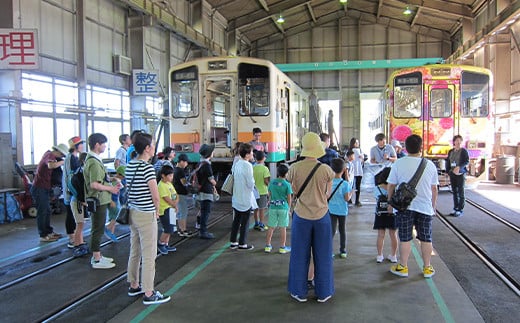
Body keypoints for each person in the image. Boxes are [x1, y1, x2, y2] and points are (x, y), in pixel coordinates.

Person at [287, 132, 335, 303]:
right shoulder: (326, 170)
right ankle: (324, 292)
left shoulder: (294, 168)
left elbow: (292, 189)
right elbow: (328, 194)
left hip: (301, 216)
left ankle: (299, 292)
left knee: (299, 255)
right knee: (323, 254)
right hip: (322, 216)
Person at [126, 132, 171, 305]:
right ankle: (149, 293)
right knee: (149, 254)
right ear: (146, 148)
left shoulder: (130, 165)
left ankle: (134, 284)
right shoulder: (147, 168)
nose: (154, 148)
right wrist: (157, 211)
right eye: (152, 145)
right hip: (146, 215)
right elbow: (156, 196)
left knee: (135, 250)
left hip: (133, 213)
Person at [386, 134, 439, 278]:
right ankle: (427, 268)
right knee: (426, 238)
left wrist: (390, 204)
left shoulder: (398, 163)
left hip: (404, 207)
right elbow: (434, 189)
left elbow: (391, 185)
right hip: (425, 207)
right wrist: (433, 206)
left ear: (405, 148)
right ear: (420, 148)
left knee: (405, 238)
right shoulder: (430, 165)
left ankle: (403, 267)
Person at [84, 133, 120, 269]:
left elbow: (100, 179)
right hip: (98, 199)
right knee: (97, 229)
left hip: (101, 199)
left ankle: (97, 255)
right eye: (103, 144)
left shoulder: (95, 159)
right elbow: (94, 184)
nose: (105, 146)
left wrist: (111, 180)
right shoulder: (93, 162)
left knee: (98, 228)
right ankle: (96, 258)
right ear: (97, 145)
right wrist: (110, 189)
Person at [31, 143, 68, 242]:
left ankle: (48, 232)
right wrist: (63, 162)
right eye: (62, 155)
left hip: (45, 188)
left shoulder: (52, 156)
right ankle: (43, 235)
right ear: (58, 152)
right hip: (39, 188)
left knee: (47, 211)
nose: (61, 157)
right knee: (43, 211)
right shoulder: (50, 155)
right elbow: (51, 165)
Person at [229, 143, 256, 250]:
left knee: (236, 220)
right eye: (252, 152)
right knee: (245, 222)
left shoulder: (237, 163)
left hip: (236, 196)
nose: (253, 154)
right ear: (247, 154)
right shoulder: (248, 165)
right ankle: (242, 243)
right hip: (245, 197)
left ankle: (233, 241)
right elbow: (250, 183)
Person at [265, 163, 293, 254]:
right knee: (282, 228)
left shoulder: (272, 182)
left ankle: (268, 246)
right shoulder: (287, 184)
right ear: (286, 173)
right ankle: (282, 247)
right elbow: (289, 198)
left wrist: (270, 200)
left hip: (273, 207)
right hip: (283, 207)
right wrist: (288, 208)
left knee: (271, 227)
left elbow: (269, 194)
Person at [372, 167, 398, 263]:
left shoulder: (377, 188)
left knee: (380, 235)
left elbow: (375, 198)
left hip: (380, 214)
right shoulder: (395, 188)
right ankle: (393, 255)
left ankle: (379, 255)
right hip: (392, 213)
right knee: (393, 235)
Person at [328, 158, 353, 259]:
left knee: (332, 231)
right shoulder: (345, 184)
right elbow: (347, 199)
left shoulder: (329, 183)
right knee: (342, 230)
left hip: (331, 210)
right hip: (342, 210)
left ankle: (329, 251)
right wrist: (352, 193)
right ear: (343, 170)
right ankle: (343, 250)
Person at [63, 136, 84, 248]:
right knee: (71, 215)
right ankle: (72, 238)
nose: (82, 146)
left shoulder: (72, 157)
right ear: (75, 146)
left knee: (73, 215)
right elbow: (73, 177)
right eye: (80, 144)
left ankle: (75, 238)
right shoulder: (71, 158)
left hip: (70, 190)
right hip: (71, 191)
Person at [157, 165, 179, 255]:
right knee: (168, 228)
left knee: (171, 228)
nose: (171, 177)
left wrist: (176, 202)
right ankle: (161, 243)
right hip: (165, 210)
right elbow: (167, 199)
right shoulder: (161, 185)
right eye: (169, 176)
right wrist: (174, 204)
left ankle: (166, 244)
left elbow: (175, 195)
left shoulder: (169, 184)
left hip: (171, 209)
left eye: (172, 175)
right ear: (163, 175)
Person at [197, 144, 217, 239]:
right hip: (207, 191)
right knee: (206, 212)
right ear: (209, 154)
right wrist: (215, 183)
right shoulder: (207, 166)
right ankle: (203, 231)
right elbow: (211, 180)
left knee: (203, 210)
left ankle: (200, 228)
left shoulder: (199, 164)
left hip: (200, 191)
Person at [446, 134, 469, 217]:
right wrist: (448, 171)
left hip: (461, 173)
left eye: (460, 141)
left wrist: (459, 167)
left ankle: (460, 209)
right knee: (454, 191)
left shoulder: (464, 151)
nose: (458, 142)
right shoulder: (451, 151)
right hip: (452, 173)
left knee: (461, 191)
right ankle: (455, 208)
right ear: (454, 142)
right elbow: (448, 161)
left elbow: (466, 161)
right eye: (457, 140)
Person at [71, 152, 89, 257]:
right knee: (80, 224)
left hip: (77, 200)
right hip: (77, 202)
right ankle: (77, 245)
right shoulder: (80, 174)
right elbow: (80, 191)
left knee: (80, 224)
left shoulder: (79, 172)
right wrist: (84, 202)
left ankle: (80, 242)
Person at [105, 166, 126, 243]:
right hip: (112, 200)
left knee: (112, 217)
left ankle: (111, 234)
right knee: (117, 215)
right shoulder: (115, 181)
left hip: (115, 200)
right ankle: (107, 228)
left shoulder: (117, 180)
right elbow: (108, 191)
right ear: (118, 174)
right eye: (122, 176)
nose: (123, 177)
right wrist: (110, 201)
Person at [173, 153, 191, 236]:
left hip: (176, 193)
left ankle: (180, 229)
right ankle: (183, 230)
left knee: (179, 212)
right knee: (183, 212)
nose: (186, 164)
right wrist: (189, 184)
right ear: (181, 162)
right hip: (181, 193)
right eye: (186, 162)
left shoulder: (174, 169)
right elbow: (184, 183)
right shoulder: (180, 171)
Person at [253, 150, 270, 231]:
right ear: (263, 158)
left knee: (255, 209)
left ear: (255, 158)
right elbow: (266, 181)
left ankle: (256, 223)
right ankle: (261, 224)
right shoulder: (265, 169)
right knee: (262, 209)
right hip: (262, 191)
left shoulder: (252, 167)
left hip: (254, 192)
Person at [349, 138, 364, 206]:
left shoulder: (349, 151)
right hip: (358, 169)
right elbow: (362, 157)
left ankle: (349, 199)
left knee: (350, 185)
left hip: (352, 170)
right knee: (358, 186)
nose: (358, 144)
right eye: (356, 143)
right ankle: (357, 200)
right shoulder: (357, 150)